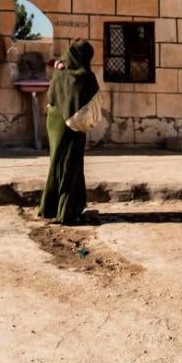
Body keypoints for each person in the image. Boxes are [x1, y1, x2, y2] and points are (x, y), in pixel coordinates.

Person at [38, 39, 103, 225]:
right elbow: (95, 99)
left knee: (57, 162)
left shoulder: (60, 73)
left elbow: (51, 97)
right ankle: (66, 211)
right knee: (71, 165)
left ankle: (50, 208)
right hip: (74, 126)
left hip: (54, 122)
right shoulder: (87, 76)